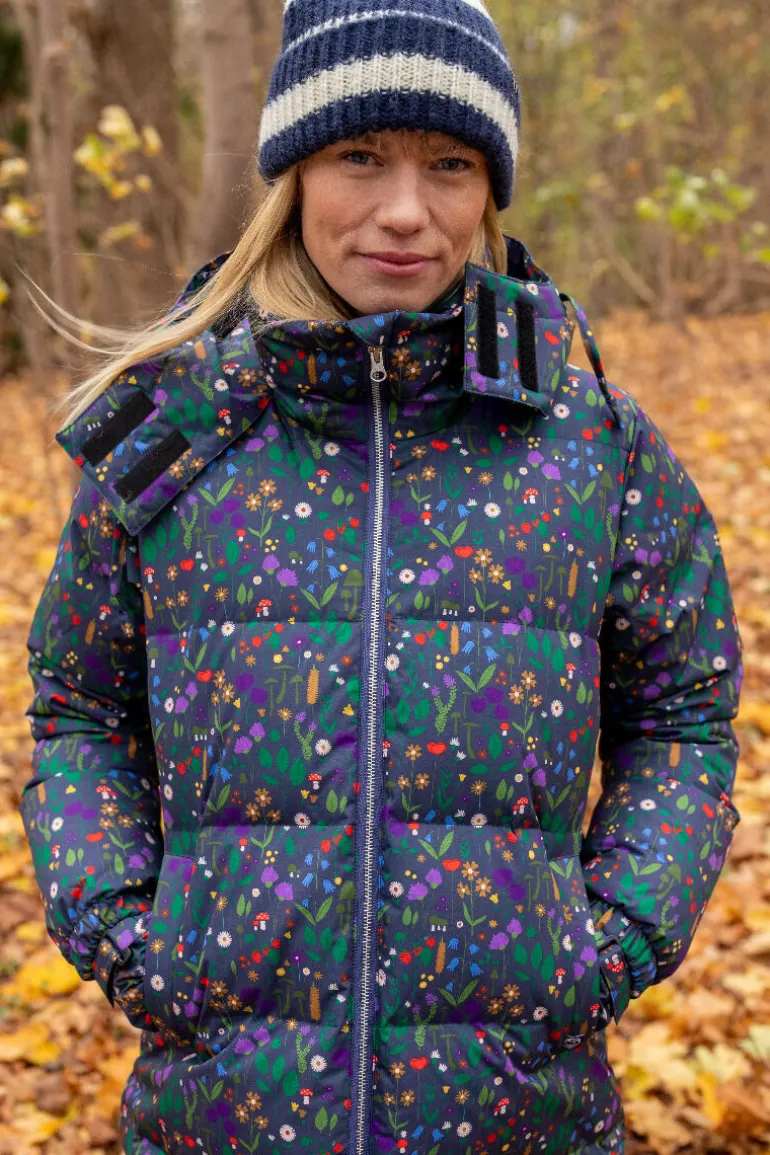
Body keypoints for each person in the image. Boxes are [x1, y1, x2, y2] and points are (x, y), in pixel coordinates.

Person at [18, 2, 744, 1153]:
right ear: (294, 175)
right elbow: (79, 710)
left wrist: (605, 945)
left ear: (488, 189)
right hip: (225, 1111)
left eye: (448, 165)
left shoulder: (589, 442)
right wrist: (124, 934)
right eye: (360, 156)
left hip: (517, 1111)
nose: (405, 210)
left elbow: (681, 716)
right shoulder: (174, 428)